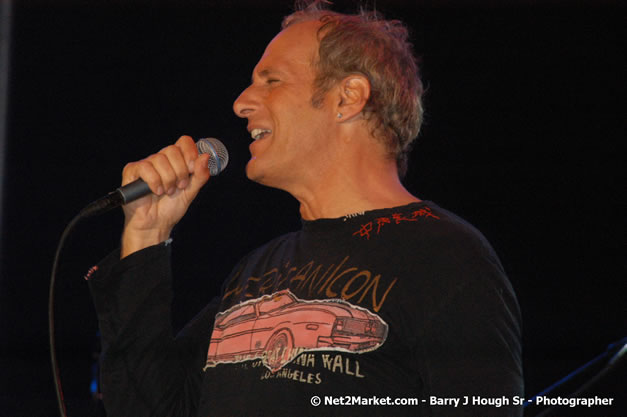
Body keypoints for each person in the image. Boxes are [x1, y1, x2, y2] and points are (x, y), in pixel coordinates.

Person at [88, 2, 523, 416]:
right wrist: (145, 235)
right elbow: (145, 408)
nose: (241, 102)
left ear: (347, 97)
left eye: (272, 80)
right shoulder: (255, 273)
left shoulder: (444, 255)